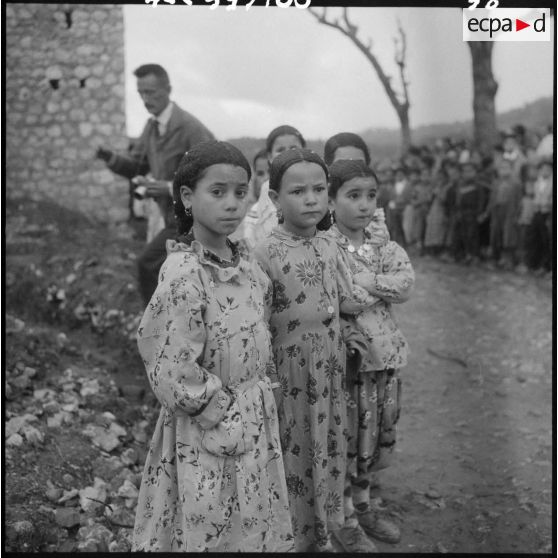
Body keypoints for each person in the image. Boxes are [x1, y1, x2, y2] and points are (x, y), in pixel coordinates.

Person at [132, 141, 294, 552]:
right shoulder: (185, 273)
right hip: (206, 429)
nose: (232, 204)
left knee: (251, 520)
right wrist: (221, 409)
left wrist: (259, 397)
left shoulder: (251, 267)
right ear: (187, 197)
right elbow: (171, 367)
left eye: (240, 192)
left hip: (254, 420)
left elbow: (261, 331)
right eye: (217, 192)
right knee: (210, 520)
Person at [254, 148, 377, 552]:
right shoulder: (264, 254)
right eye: (298, 191)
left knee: (326, 449)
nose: (311, 199)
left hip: (329, 372)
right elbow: (258, 324)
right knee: (294, 457)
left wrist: (349, 328)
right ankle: (293, 539)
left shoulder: (329, 246)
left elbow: (341, 297)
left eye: (319, 189)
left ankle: (323, 533)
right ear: (274, 200)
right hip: (289, 379)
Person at [327, 159, 414, 553]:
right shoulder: (326, 246)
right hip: (352, 362)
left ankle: (364, 505)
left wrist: (369, 282)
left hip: (387, 359)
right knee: (348, 435)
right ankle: (343, 516)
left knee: (374, 434)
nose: (364, 205)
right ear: (331, 199)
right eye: (353, 195)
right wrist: (374, 290)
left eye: (370, 196)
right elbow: (346, 298)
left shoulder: (383, 245)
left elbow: (406, 283)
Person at [95, 63, 214, 305]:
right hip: (173, 220)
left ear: (168, 90)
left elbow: (213, 175)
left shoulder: (190, 128)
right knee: (168, 273)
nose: (146, 99)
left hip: (196, 221)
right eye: (141, 94)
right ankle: (167, 323)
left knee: (148, 264)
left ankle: (158, 323)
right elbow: (137, 167)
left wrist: (169, 188)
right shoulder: (151, 128)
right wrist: (110, 158)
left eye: (151, 93)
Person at [238, 125, 305, 249]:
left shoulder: (314, 182)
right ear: (269, 157)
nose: (288, 153)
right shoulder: (267, 189)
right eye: (280, 149)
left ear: (304, 151)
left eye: (294, 148)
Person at [481, 158, 522, 269]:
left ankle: (509, 260)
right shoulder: (496, 182)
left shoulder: (516, 183)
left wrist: (517, 215)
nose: (503, 170)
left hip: (510, 212)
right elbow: (492, 199)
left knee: (509, 236)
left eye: (506, 167)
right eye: (501, 167)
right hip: (497, 211)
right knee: (495, 234)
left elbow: (519, 201)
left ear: (511, 169)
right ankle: (496, 259)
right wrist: (487, 212)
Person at [527, 157, 553, 274]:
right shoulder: (537, 182)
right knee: (535, 238)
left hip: (548, 214)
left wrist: (546, 204)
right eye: (543, 169)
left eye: (548, 169)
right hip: (537, 213)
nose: (545, 171)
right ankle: (534, 264)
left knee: (546, 240)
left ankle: (546, 266)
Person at [515, 163, 538, 274]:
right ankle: (522, 262)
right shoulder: (521, 185)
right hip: (524, 214)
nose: (533, 172)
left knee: (532, 240)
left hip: (536, 214)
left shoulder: (538, 184)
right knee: (523, 239)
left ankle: (531, 263)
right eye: (531, 170)